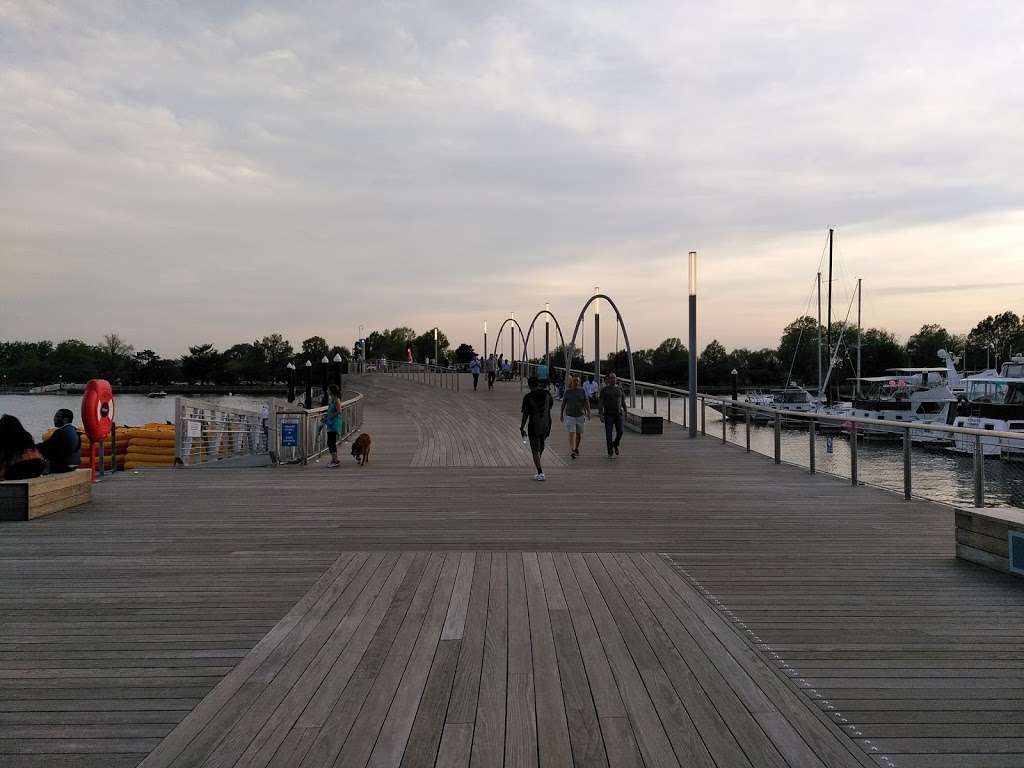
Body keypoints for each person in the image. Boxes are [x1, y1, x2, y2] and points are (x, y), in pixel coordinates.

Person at [520, 375, 553, 481]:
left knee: (535, 449)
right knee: (541, 445)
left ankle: (540, 472)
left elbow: (525, 414)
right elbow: (550, 407)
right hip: (546, 424)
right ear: (538, 383)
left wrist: (522, 427)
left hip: (534, 425)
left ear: (529, 385)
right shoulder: (547, 394)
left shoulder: (528, 397)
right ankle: (539, 466)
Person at [0, 414, 44, 481]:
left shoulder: (5, 439)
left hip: (19, 469)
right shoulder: (27, 436)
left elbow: (4, 459)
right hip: (37, 466)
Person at [37, 408, 81, 473]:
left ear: (65, 419)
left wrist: (31, 447)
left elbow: (46, 447)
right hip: (74, 465)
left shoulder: (62, 432)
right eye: (55, 416)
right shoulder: (75, 431)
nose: (54, 418)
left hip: (63, 466)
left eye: (58, 417)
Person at [560, 376, 591, 459]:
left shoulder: (582, 391)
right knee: (571, 433)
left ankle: (576, 447)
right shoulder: (567, 392)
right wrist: (561, 414)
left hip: (580, 415)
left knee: (578, 434)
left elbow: (586, 401)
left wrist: (589, 412)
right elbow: (563, 403)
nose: (576, 382)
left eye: (577, 381)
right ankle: (572, 450)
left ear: (579, 382)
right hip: (570, 415)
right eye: (574, 381)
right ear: (571, 382)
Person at [598, 373, 627, 457]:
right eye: (611, 378)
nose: (613, 380)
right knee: (609, 434)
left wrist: (626, 412)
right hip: (608, 415)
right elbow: (600, 403)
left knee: (620, 432)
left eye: (614, 378)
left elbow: (623, 402)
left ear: (616, 379)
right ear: (608, 380)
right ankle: (610, 451)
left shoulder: (620, 389)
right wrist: (601, 414)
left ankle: (615, 444)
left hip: (619, 414)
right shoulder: (604, 390)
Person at [323, 384, 344, 467]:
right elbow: (330, 411)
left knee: (331, 442)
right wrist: (326, 418)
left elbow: (339, 411)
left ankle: (335, 461)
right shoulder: (332, 400)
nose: (327, 391)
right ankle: (334, 459)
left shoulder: (337, 400)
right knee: (330, 442)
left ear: (331, 391)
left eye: (328, 390)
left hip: (334, 424)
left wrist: (330, 417)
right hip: (330, 423)